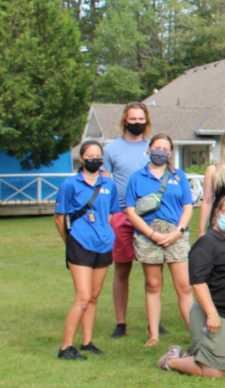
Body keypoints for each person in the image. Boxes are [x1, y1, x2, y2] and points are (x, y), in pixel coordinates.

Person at [157, 196, 225, 377]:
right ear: (217, 213)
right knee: (213, 372)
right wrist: (211, 315)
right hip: (223, 314)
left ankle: (201, 354)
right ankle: (171, 360)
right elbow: (198, 282)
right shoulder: (206, 244)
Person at [124, 134, 195, 347]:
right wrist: (152, 234)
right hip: (148, 234)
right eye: (157, 147)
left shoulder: (179, 176)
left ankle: (195, 333)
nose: (160, 151)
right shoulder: (137, 177)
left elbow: (188, 206)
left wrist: (178, 231)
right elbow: (130, 211)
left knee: (183, 286)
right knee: (153, 285)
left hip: (175, 233)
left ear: (170, 152)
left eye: (165, 148)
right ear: (149, 149)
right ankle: (153, 334)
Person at [55, 141, 118, 360]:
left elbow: (111, 213)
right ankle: (65, 347)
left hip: (103, 244)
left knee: (93, 296)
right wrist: (69, 240)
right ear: (82, 158)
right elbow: (59, 216)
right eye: (90, 155)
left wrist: (103, 231)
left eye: (98, 155)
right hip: (80, 244)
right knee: (82, 297)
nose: (94, 159)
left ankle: (87, 342)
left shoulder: (108, 184)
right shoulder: (70, 184)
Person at [102, 102, 151, 339]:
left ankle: (154, 321)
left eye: (140, 118)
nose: (136, 123)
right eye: (132, 119)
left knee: (153, 272)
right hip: (121, 214)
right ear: (125, 120)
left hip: (150, 215)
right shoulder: (111, 149)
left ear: (146, 120)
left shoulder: (153, 147)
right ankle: (120, 322)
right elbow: (104, 183)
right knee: (122, 269)